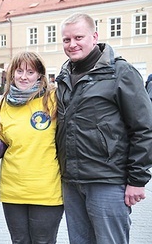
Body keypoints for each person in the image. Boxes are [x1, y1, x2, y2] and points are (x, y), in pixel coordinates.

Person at [56, 13, 152, 243]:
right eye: (66, 39)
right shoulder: (64, 75)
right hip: (72, 181)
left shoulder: (120, 72)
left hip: (107, 180)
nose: (72, 44)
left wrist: (137, 180)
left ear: (94, 36)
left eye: (78, 37)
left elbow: (144, 128)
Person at [0, 51, 63, 243]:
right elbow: (2, 144)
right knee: (19, 241)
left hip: (47, 190)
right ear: (12, 73)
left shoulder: (53, 99)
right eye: (19, 71)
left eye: (30, 72)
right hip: (13, 189)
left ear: (40, 74)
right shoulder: (2, 104)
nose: (23, 76)